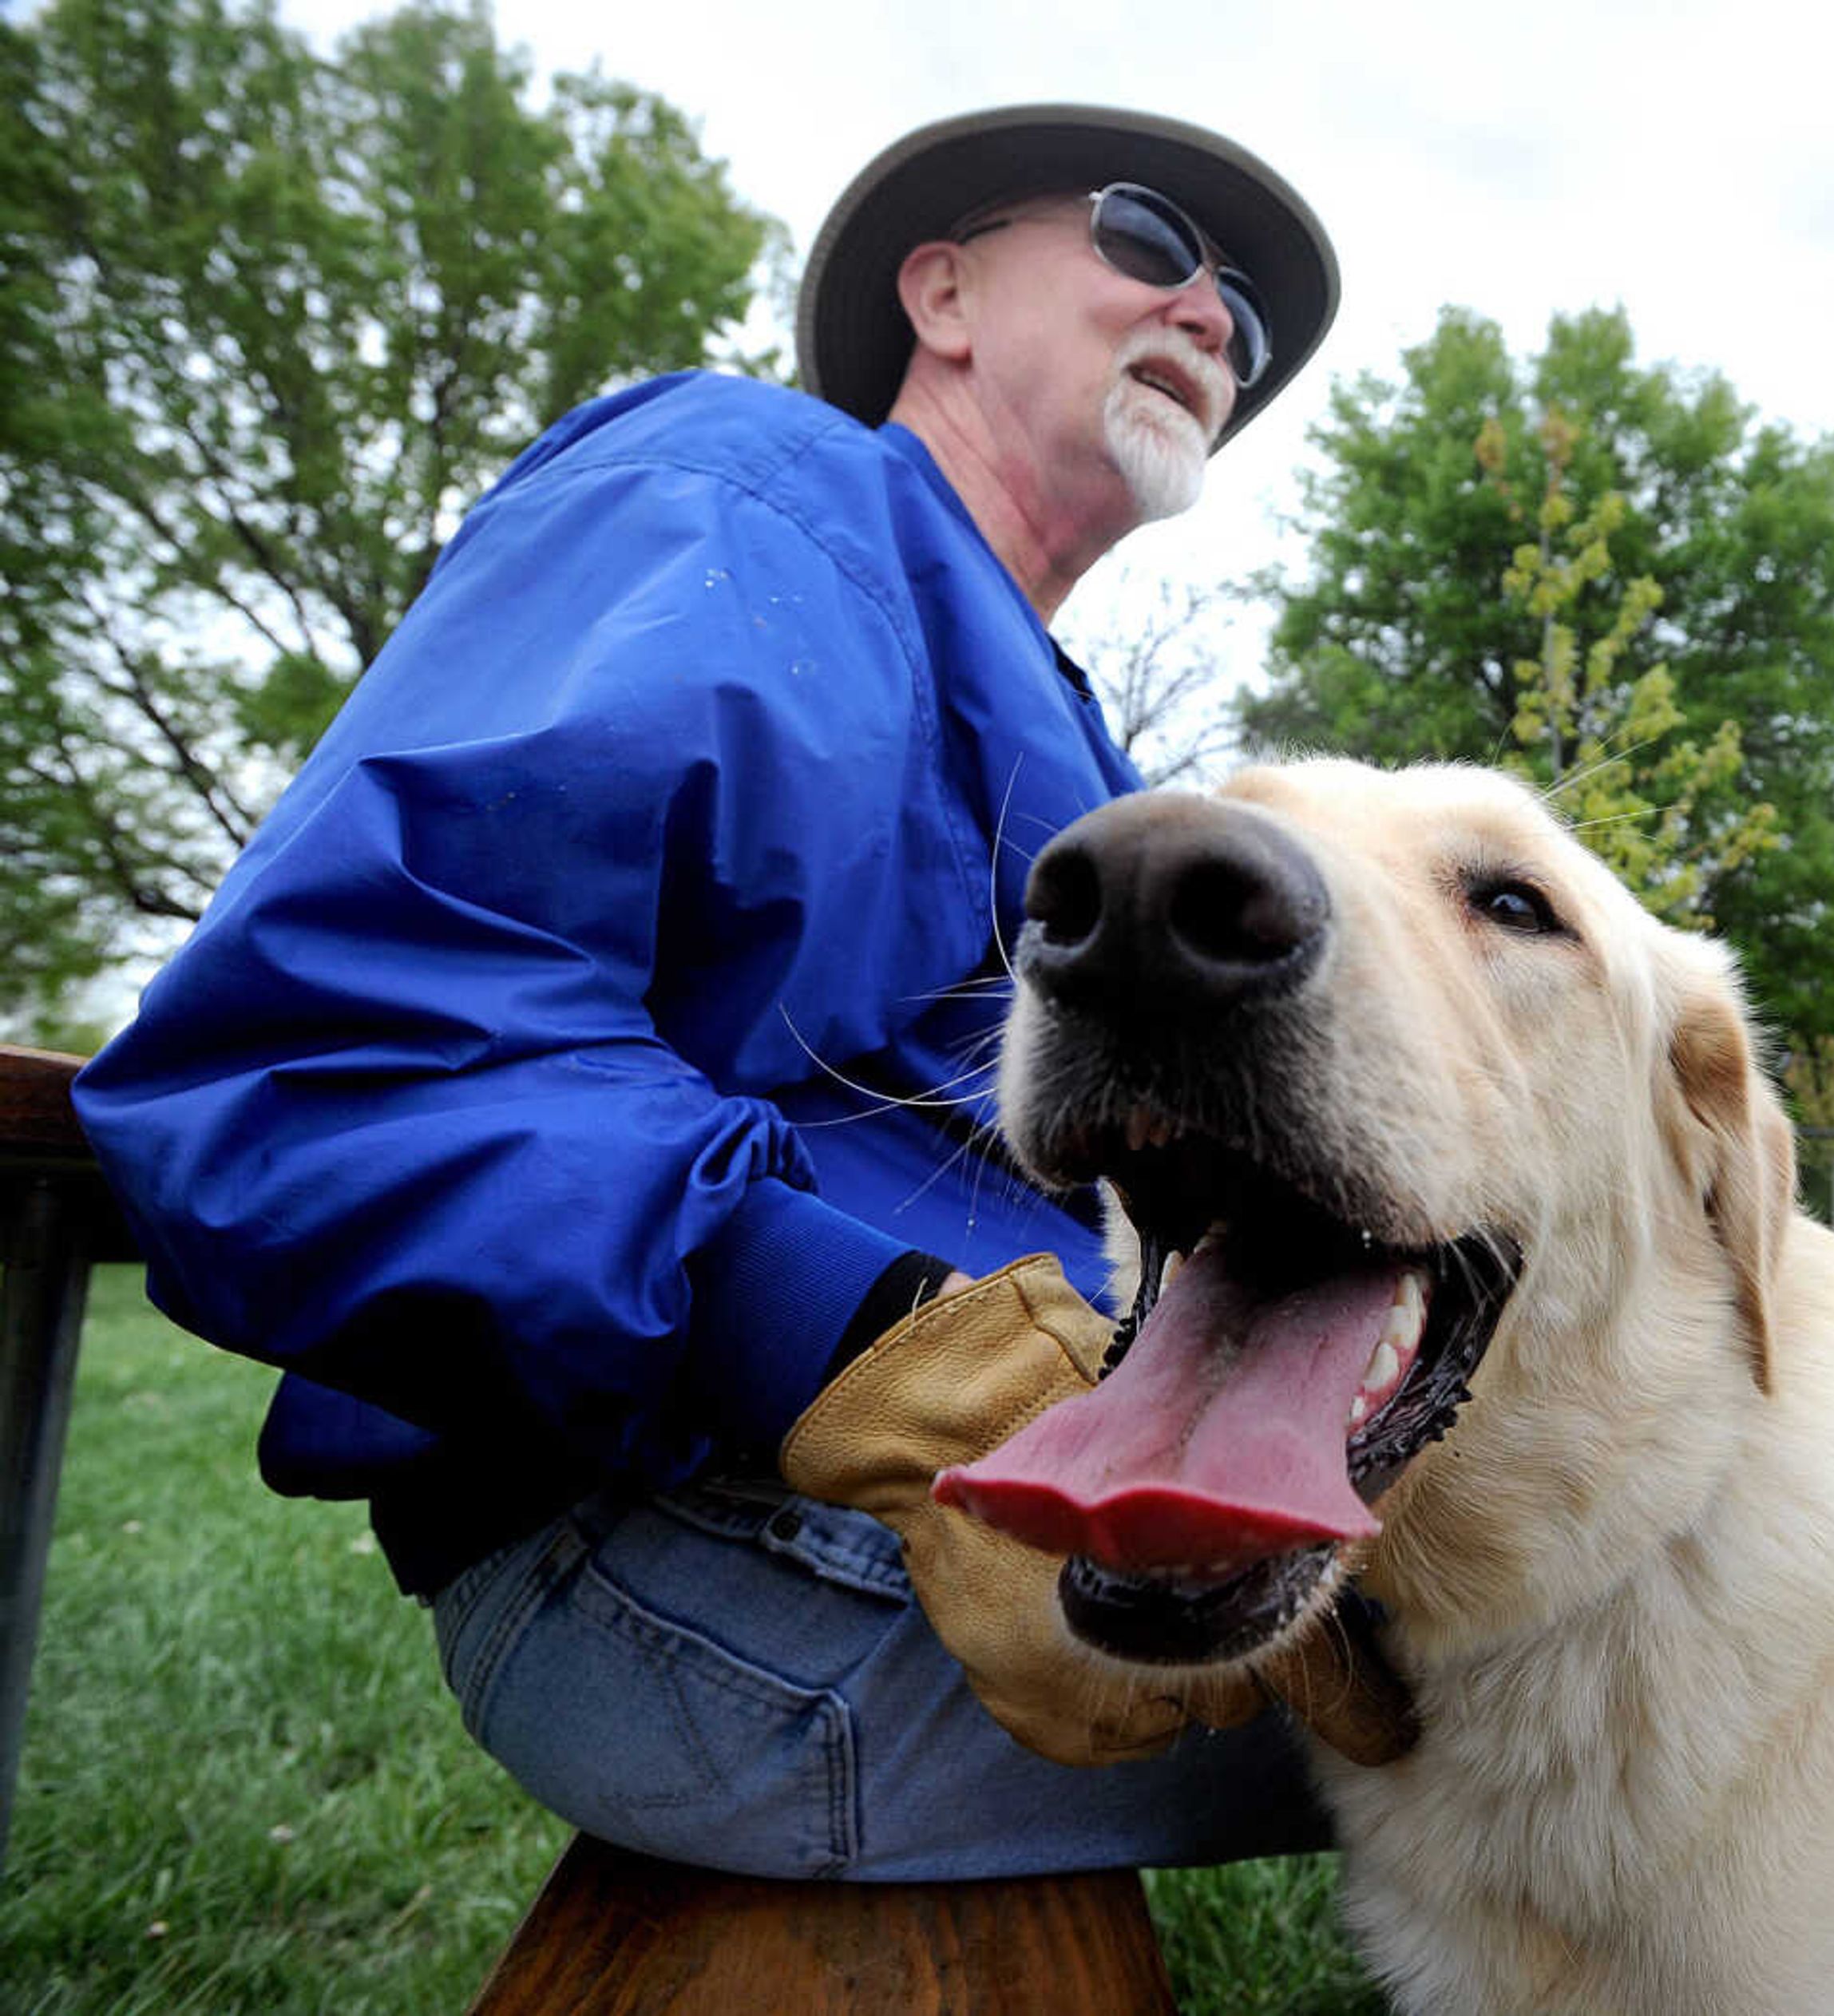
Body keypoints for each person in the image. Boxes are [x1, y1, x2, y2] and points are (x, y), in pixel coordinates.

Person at [72, 105, 1345, 1879]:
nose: (1214, 319)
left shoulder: (1094, 751)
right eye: (1149, 238)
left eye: (1253, 326)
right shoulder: (745, 490)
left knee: (1677, 1594)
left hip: (1038, 1479)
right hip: (687, 1534)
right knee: (1647, 1705)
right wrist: (856, 1335)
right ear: (945, 292)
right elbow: (332, 1049)